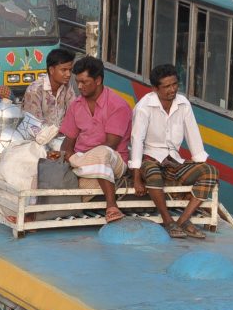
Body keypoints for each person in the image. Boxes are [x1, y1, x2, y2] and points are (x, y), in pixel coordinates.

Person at [130, 64, 218, 239]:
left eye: (175, 84)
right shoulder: (143, 107)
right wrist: (136, 178)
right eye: (167, 86)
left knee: (210, 172)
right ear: (155, 89)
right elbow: (137, 141)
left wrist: (198, 167)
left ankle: (183, 221)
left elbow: (193, 136)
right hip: (150, 158)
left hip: (174, 160)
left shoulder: (183, 103)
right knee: (153, 173)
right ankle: (168, 221)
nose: (172, 90)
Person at [59, 56, 132, 223]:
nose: (79, 86)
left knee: (101, 153)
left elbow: (110, 145)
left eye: (84, 82)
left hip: (114, 160)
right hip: (82, 160)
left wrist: (75, 159)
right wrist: (63, 156)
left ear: (98, 80)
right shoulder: (76, 105)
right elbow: (68, 142)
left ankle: (111, 206)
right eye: (77, 81)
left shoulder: (118, 105)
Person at [22, 48, 77, 127]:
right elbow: (33, 125)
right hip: (38, 137)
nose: (68, 74)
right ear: (51, 70)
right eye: (64, 70)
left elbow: (73, 113)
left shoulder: (67, 86)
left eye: (70, 70)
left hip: (62, 136)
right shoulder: (35, 90)